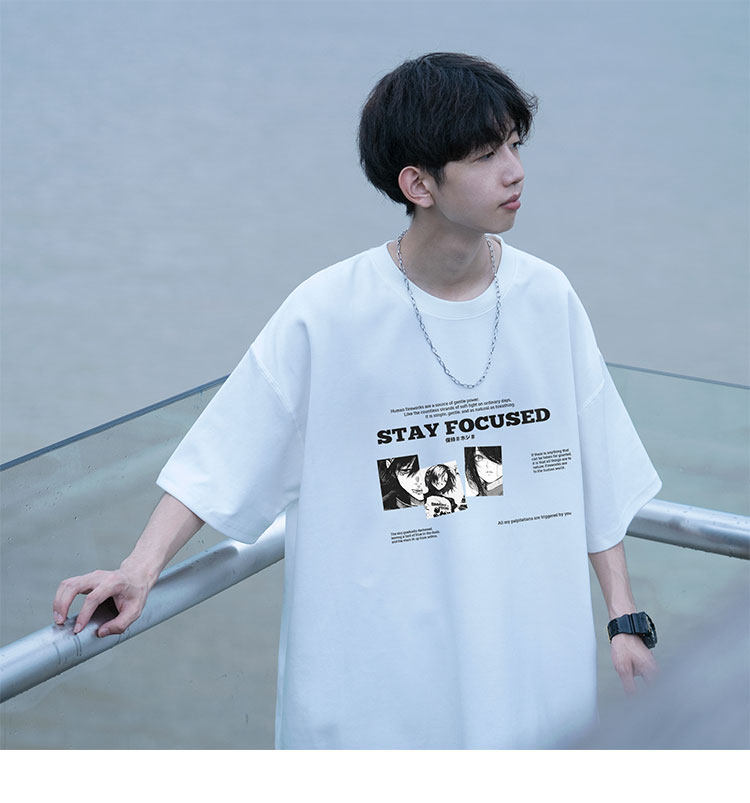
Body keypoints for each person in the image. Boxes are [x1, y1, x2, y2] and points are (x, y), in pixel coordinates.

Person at [53, 52, 661, 749]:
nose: (515, 171)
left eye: (516, 146)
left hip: (525, 651)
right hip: (376, 663)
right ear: (418, 183)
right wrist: (138, 569)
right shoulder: (330, 311)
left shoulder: (547, 297)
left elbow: (590, 462)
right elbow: (224, 454)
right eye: (487, 155)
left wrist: (622, 617)